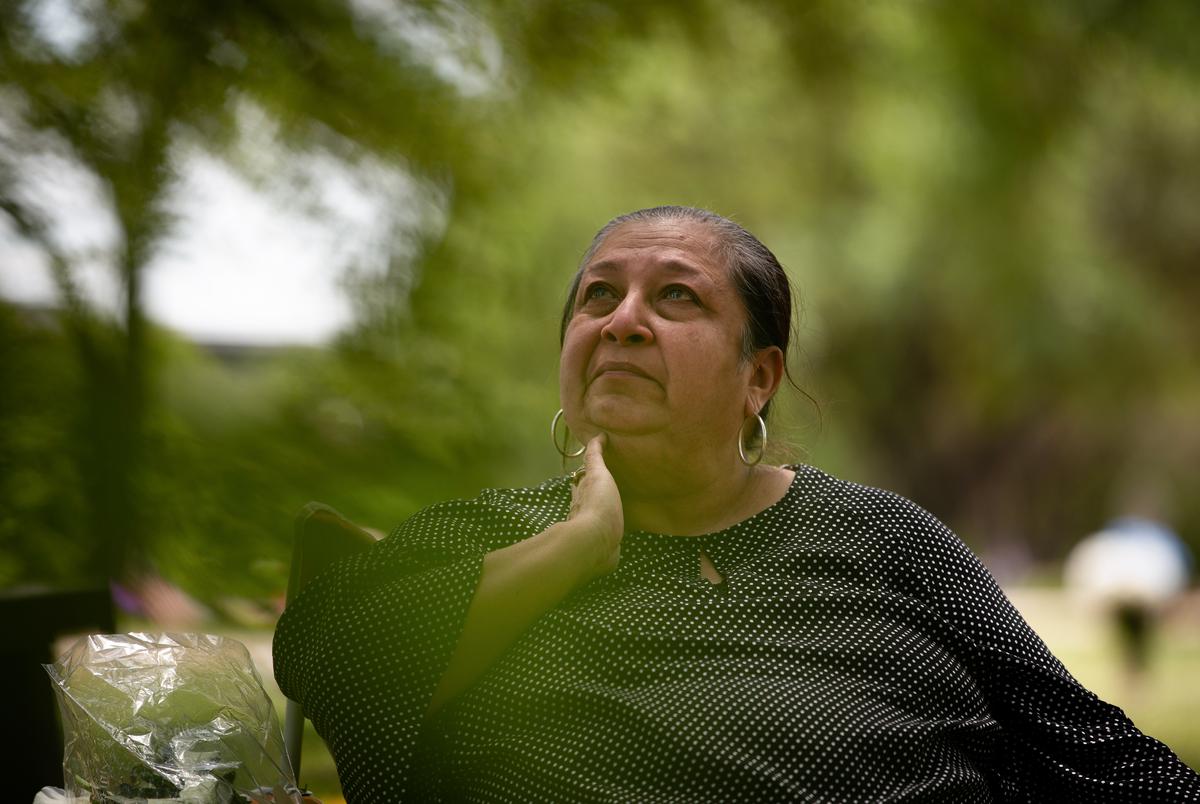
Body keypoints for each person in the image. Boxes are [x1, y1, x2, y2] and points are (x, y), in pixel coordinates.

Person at [274, 206, 1200, 802]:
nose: (621, 319)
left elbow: (1101, 756)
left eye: (675, 297)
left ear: (759, 378)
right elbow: (335, 659)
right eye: (598, 296)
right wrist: (578, 544)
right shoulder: (488, 538)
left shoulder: (887, 539)